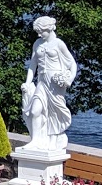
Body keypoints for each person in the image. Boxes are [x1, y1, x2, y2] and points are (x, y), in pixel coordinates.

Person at [21, 15, 77, 150]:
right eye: (38, 32)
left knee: (54, 112)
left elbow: (72, 64)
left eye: (41, 31)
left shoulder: (59, 44)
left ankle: (53, 140)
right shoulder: (37, 44)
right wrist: (28, 83)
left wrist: (69, 79)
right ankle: (36, 140)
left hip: (55, 84)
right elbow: (32, 66)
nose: (39, 34)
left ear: (50, 29)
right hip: (42, 81)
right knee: (35, 111)